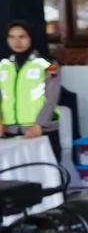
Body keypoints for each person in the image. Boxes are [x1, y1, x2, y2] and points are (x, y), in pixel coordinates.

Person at [0, 19, 63, 163]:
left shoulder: (49, 64)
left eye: (22, 37)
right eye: (11, 37)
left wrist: (39, 124)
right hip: (9, 131)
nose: (16, 42)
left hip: (41, 130)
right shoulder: (3, 65)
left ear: (31, 37)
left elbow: (52, 97)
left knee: (47, 171)